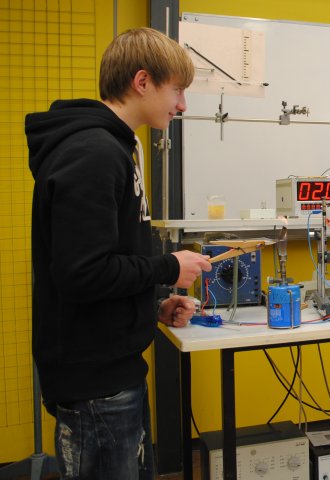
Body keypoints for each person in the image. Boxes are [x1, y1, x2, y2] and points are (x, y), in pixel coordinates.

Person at [25, 28, 212, 479]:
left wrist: (151, 307)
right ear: (142, 82)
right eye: (178, 90)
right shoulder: (93, 153)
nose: (183, 106)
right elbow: (82, 273)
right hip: (95, 384)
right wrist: (168, 266)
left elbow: (105, 261)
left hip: (112, 372)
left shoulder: (116, 149)